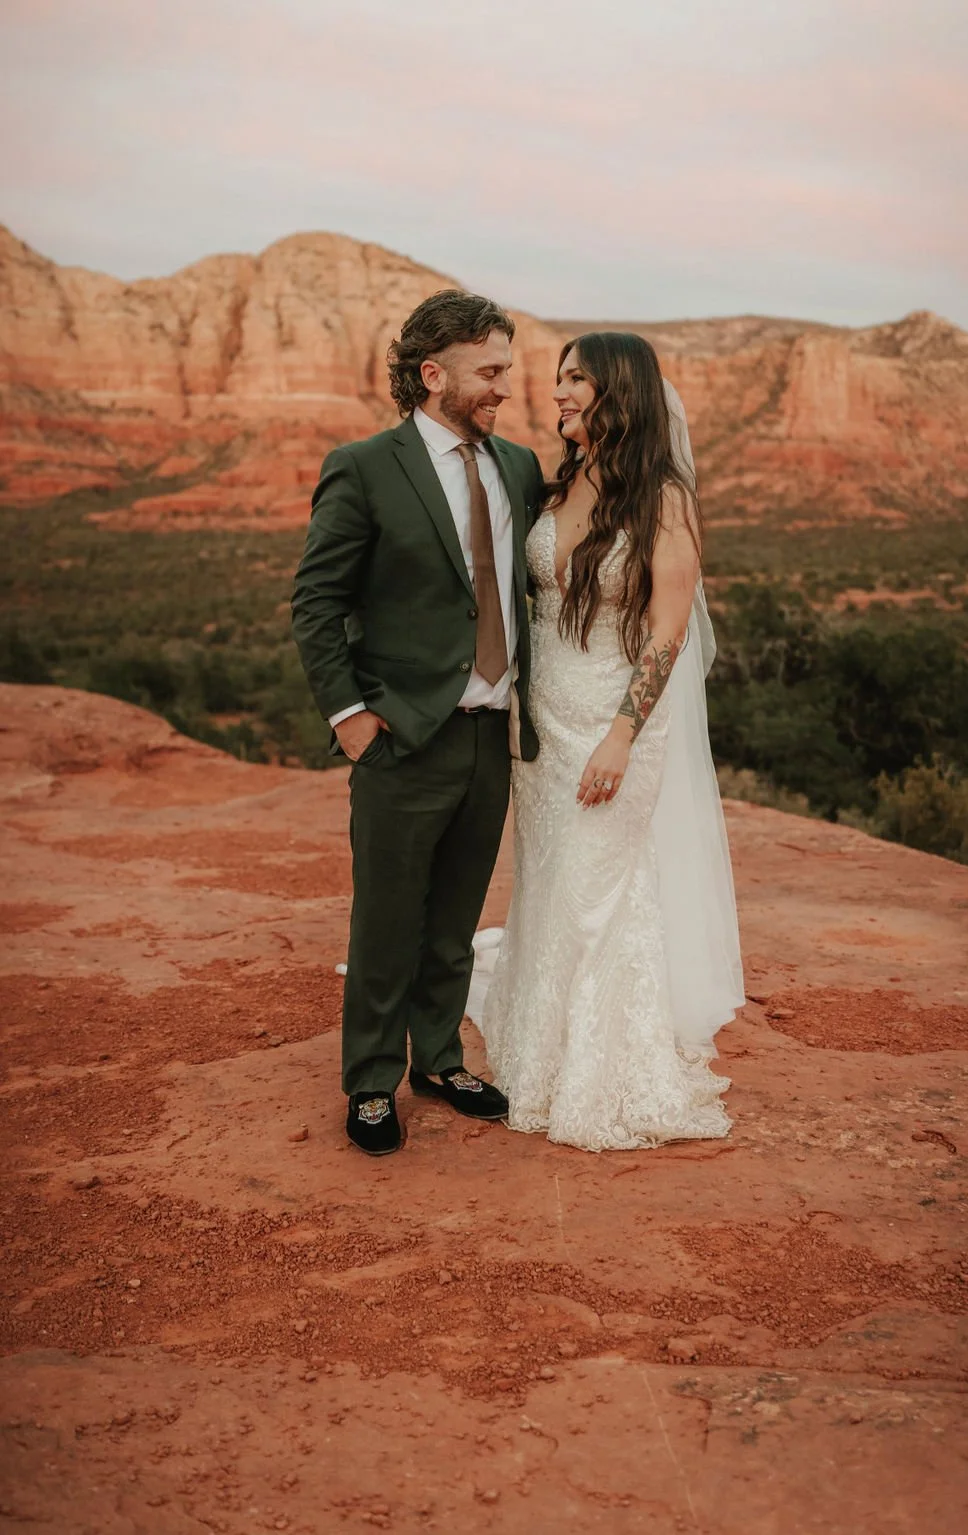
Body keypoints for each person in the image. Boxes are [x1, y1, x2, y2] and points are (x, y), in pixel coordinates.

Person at [292, 290, 546, 1156]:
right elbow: (316, 601)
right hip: (402, 736)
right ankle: (370, 1079)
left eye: (505, 370)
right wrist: (351, 717)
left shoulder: (517, 468)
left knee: (456, 917)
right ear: (433, 374)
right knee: (387, 919)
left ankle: (438, 1057)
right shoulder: (365, 466)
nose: (504, 387)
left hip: (491, 736)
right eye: (490, 371)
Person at [478, 332, 745, 1152]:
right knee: (555, 879)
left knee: (603, 888)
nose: (555, 393)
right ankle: (538, 1048)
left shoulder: (662, 498)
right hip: (544, 722)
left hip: (617, 723)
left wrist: (623, 735)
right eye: (556, 378)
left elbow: (666, 631)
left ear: (618, 391)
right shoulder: (558, 486)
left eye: (574, 380)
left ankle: (604, 1071)